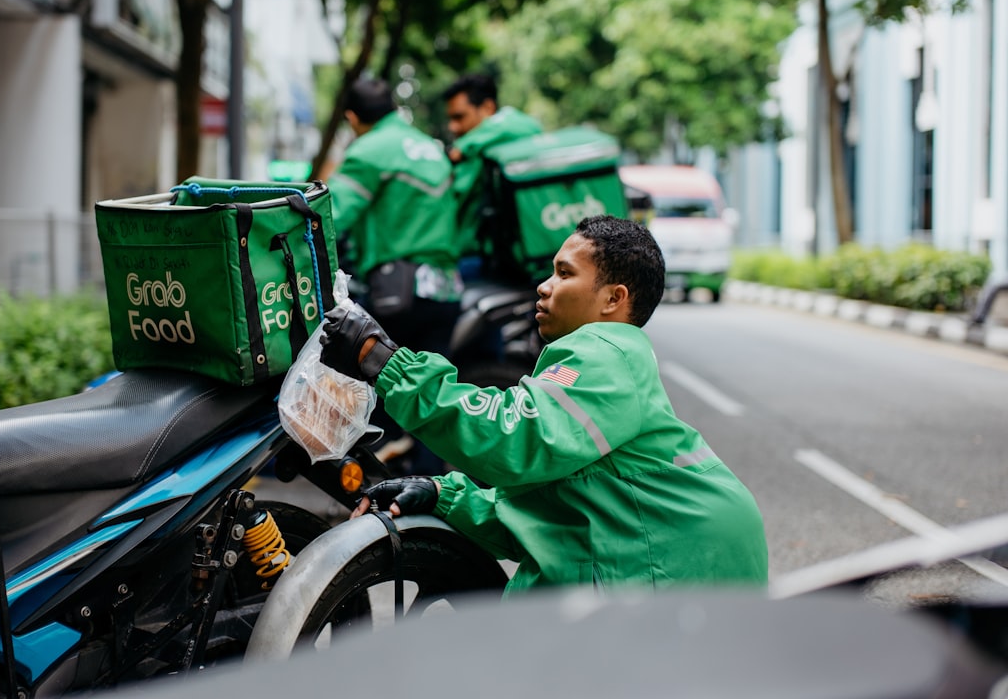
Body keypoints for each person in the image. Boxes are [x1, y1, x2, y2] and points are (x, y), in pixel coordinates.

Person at [320, 214, 768, 594]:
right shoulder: (611, 358)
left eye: (565, 273)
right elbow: (557, 515)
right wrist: (443, 496)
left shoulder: (604, 350)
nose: (544, 286)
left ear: (614, 299)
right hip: (686, 548)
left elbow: (512, 438)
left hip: (674, 558)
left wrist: (384, 361)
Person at [327, 77, 463, 474]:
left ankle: (376, 492)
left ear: (353, 118)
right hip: (446, 290)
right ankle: (429, 495)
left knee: (368, 384)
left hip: (397, 292)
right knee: (429, 392)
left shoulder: (369, 149)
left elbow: (329, 219)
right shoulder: (430, 148)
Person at [442, 74, 543, 277]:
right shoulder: (476, 153)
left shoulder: (503, 133)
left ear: (488, 108)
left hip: (483, 260)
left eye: (459, 117)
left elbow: (527, 125)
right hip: (463, 256)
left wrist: (464, 147)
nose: (452, 127)